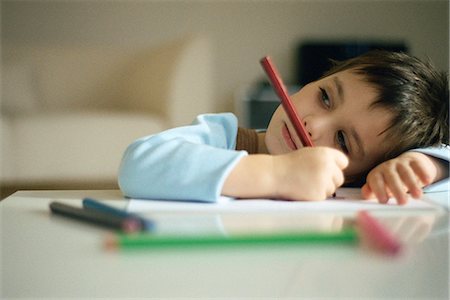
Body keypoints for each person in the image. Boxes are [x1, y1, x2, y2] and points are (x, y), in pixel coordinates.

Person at [118, 51, 449, 205]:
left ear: (358, 177)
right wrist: (277, 173)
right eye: (325, 97)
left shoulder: (351, 191)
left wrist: (424, 165)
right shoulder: (224, 137)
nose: (313, 123)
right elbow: (138, 165)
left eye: (343, 140)